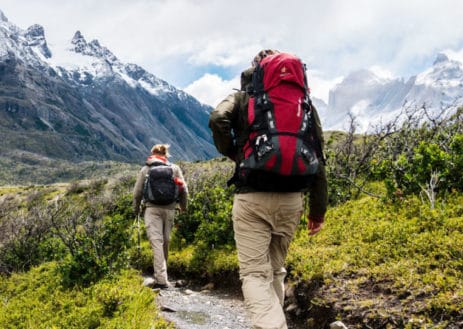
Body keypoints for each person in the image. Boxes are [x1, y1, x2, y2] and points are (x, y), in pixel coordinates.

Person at [208, 49, 328, 329]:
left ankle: (273, 326)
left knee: (253, 274)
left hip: (252, 197)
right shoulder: (304, 104)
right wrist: (318, 211)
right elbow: (318, 156)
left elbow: (217, 119)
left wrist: (236, 154)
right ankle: (271, 322)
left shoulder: (243, 97)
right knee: (276, 269)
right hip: (292, 200)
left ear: (257, 71)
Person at [132, 144, 188, 289]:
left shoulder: (146, 169)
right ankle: (162, 275)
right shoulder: (174, 169)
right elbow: (184, 189)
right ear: (166, 154)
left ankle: (161, 279)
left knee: (156, 242)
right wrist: (183, 207)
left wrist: (136, 210)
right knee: (166, 241)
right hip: (170, 209)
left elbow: (137, 193)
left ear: (152, 154)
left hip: (152, 209)